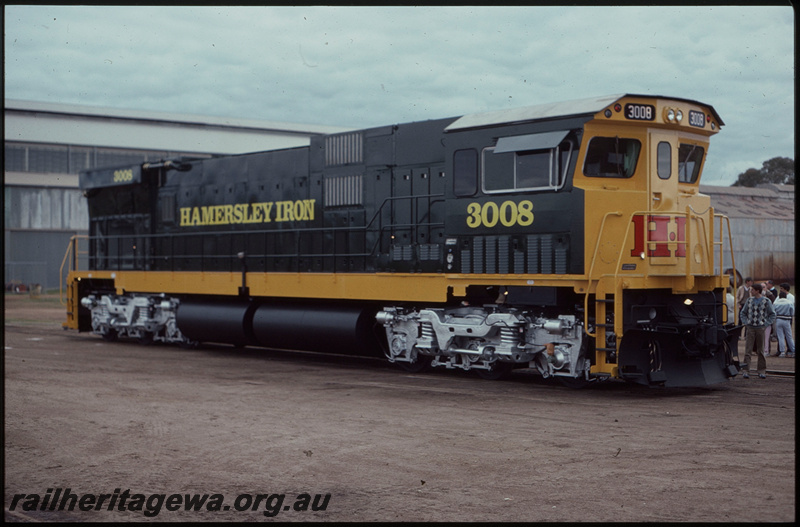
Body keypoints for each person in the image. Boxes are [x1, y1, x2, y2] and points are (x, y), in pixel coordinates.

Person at [738, 283, 776, 379]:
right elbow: (743, 313)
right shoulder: (749, 300)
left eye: (752, 290)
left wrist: (765, 324)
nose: (751, 291)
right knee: (748, 350)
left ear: (757, 291)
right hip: (750, 328)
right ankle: (746, 370)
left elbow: (772, 314)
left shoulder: (766, 301)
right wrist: (746, 322)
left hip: (760, 328)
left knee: (761, 350)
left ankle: (761, 370)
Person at [773, 290, 795, 358]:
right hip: (787, 320)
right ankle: (793, 351)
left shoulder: (776, 303)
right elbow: (792, 312)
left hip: (778, 319)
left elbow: (773, 312)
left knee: (780, 337)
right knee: (789, 336)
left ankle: (782, 352)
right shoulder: (789, 303)